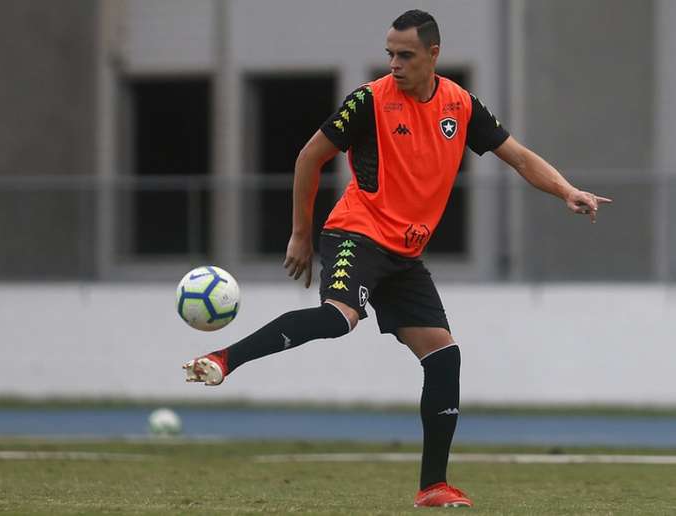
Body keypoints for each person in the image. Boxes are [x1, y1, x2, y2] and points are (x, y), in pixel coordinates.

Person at [184, 9, 612, 508]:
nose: (394, 64)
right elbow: (309, 157)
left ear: (434, 54)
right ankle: (223, 358)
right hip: (356, 233)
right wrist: (301, 235)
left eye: (405, 55)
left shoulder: (461, 106)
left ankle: (433, 486)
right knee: (338, 319)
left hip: (405, 253)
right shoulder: (367, 101)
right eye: (389, 54)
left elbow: (517, 156)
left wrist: (566, 191)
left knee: (443, 355)